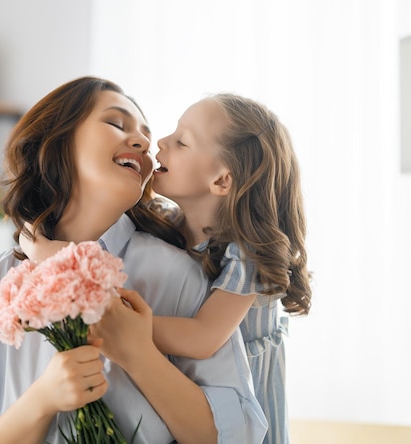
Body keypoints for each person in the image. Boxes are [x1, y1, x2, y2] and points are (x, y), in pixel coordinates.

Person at [0, 76, 267, 444]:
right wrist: (40, 402)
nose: (142, 143)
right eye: (116, 124)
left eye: (146, 137)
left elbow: (241, 434)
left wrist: (140, 355)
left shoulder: (181, 275)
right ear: (56, 142)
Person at [23, 92, 311, 444]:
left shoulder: (247, 254)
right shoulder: (167, 226)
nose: (158, 142)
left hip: (243, 413)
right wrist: (46, 248)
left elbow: (204, 338)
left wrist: (119, 324)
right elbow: (96, 249)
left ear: (221, 180)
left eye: (182, 142)